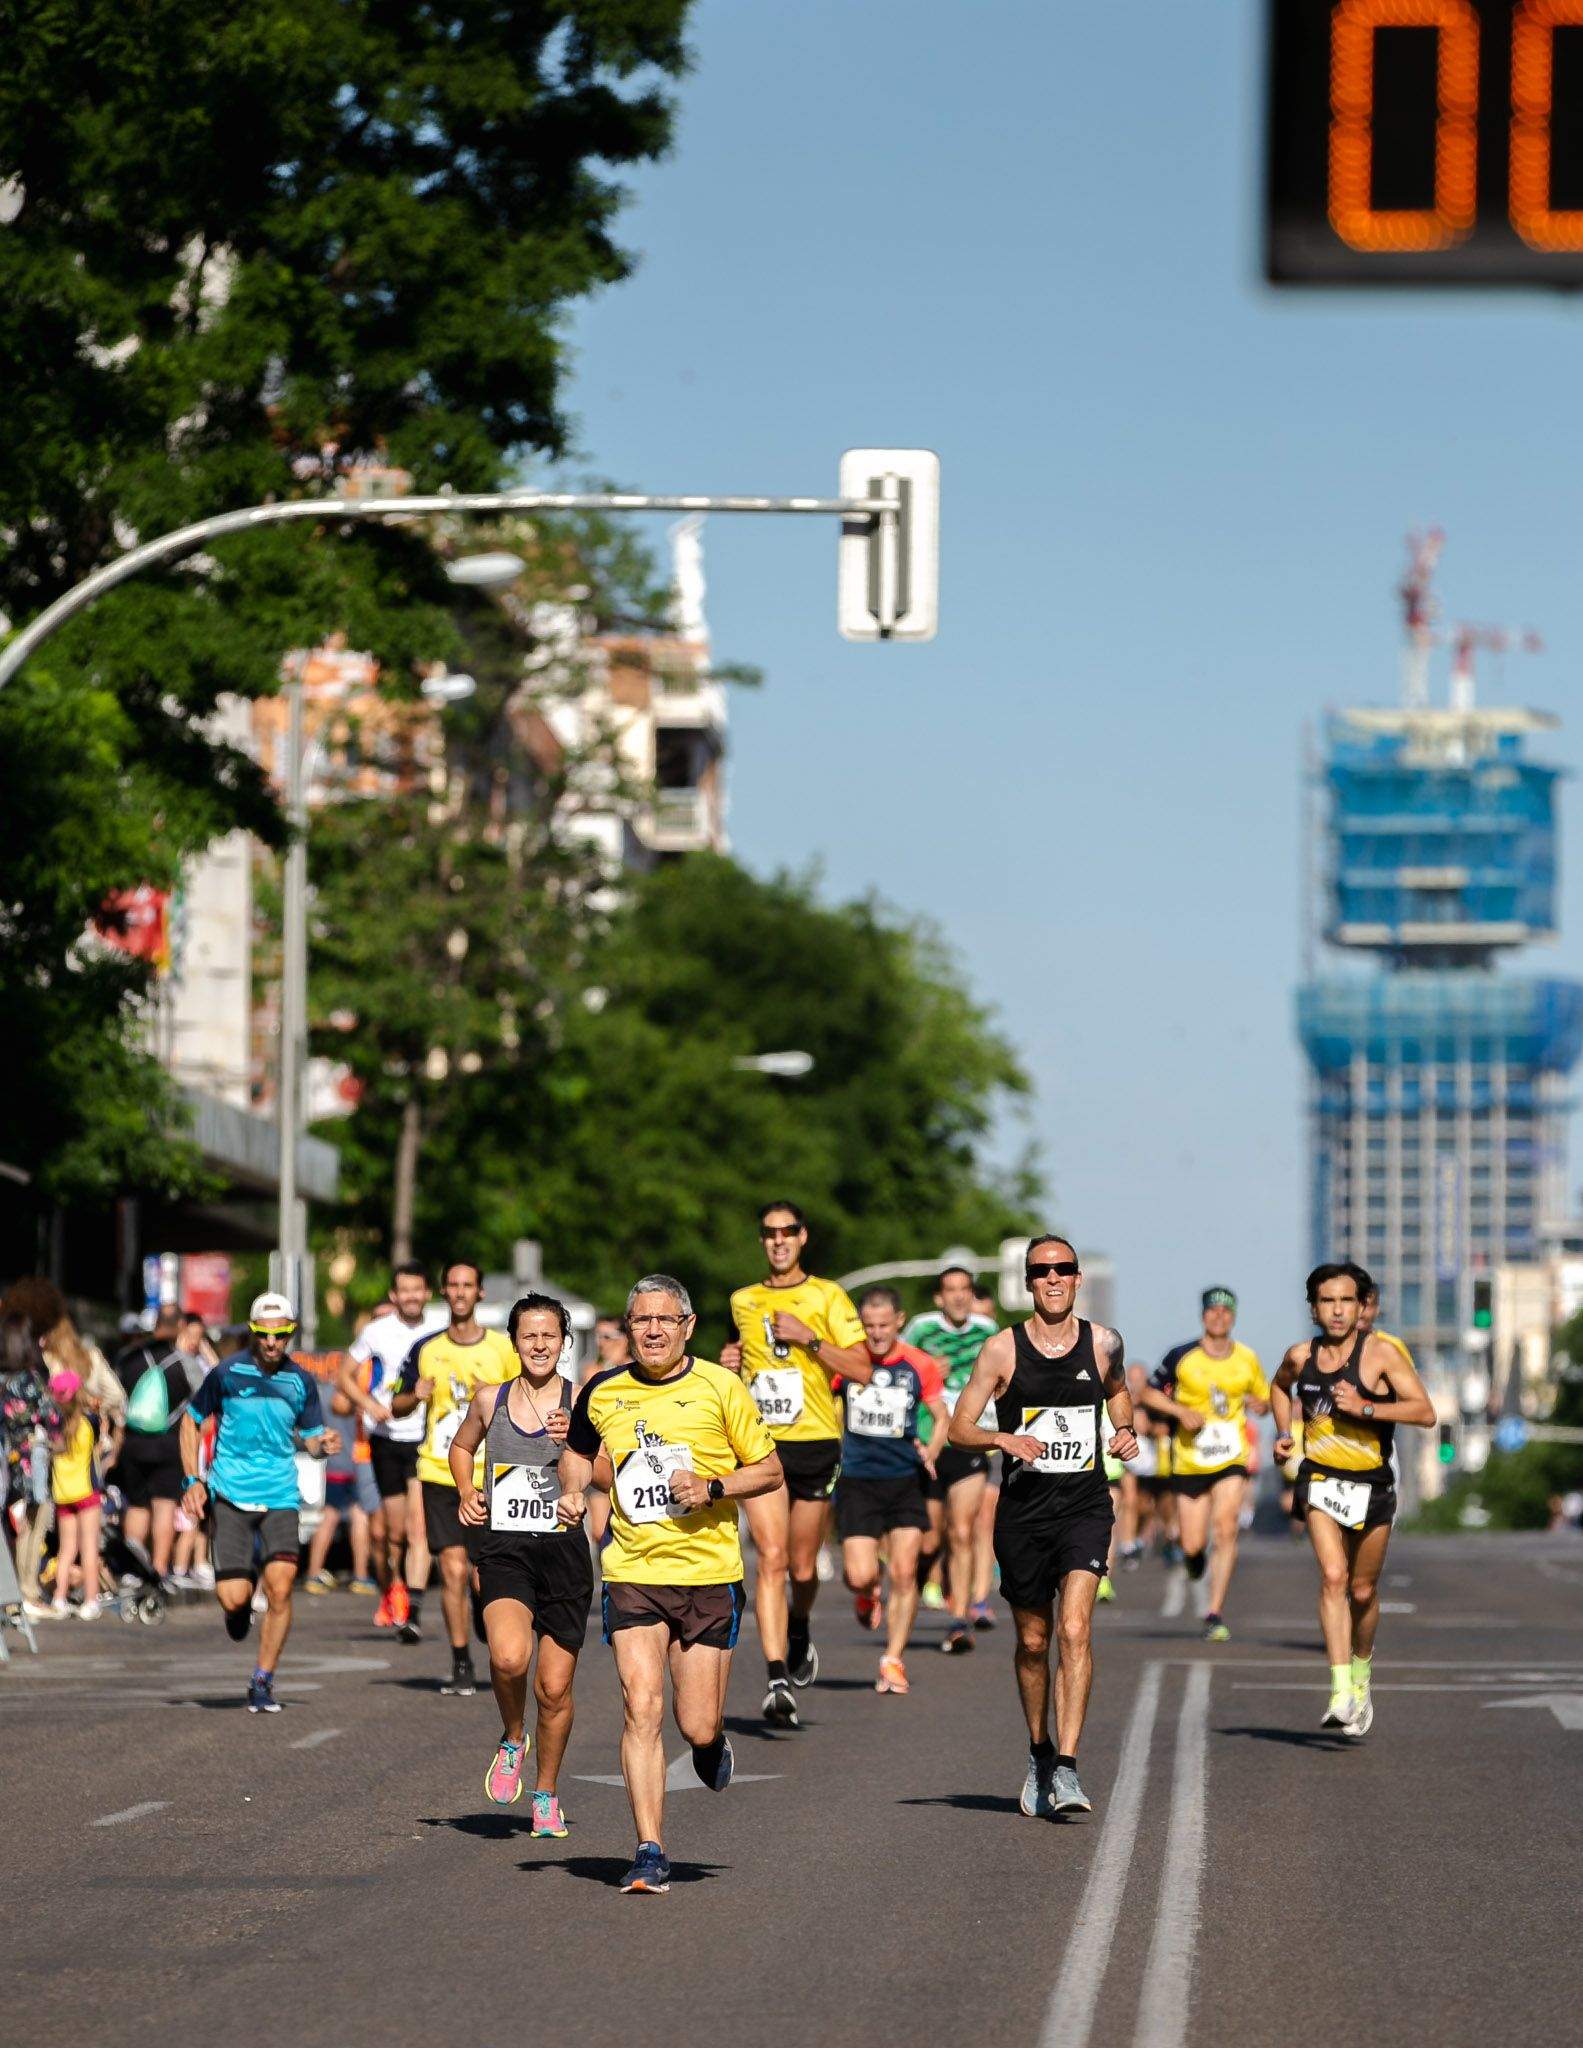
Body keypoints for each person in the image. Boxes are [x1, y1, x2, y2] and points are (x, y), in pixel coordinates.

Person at [559, 1275, 782, 1895]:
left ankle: (710, 1746)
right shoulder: (603, 1390)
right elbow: (577, 1452)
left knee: (697, 1724)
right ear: (628, 1328)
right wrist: (573, 1490)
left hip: (708, 1576)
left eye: (665, 1320)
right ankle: (649, 1849)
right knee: (641, 1704)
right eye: (641, 1320)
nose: (653, 1330)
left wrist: (712, 1487)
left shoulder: (720, 1387)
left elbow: (769, 1469)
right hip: (633, 1572)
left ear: (688, 1326)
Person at [947, 1232, 1137, 1818]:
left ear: (1078, 1278)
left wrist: (1124, 1431)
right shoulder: (1001, 1350)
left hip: (1084, 1508)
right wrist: (1002, 1439)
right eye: (1041, 1271)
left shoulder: (1103, 1343)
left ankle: (1070, 1767)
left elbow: (1119, 1393)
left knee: (1075, 1630)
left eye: (1063, 1268)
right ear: (1027, 1282)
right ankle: (1039, 1751)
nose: (1053, 1278)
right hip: (1023, 1515)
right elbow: (958, 1428)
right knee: (1033, 1642)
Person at [450, 1293, 599, 1838]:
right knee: (510, 1658)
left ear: (564, 1342)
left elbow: (608, 1470)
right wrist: (467, 1491)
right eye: (529, 1335)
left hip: (563, 1553)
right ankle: (513, 1736)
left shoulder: (583, 1401)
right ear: (514, 1342)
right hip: (506, 1549)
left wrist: (574, 1451)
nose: (540, 1345)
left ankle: (546, 1792)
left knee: (554, 1690)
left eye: (549, 1335)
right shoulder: (490, 1399)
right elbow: (461, 1448)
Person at [1270, 1263, 1434, 1735]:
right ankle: (1340, 1690)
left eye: (1347, 1300)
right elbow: (1278, 1386)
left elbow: (1425, 1412)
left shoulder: (1381, 1354)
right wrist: (1283, 1433)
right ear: (1314, 1308)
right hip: (1320, 1478)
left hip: (1373, 1485)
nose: (1338, 1310)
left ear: (1361, 1306)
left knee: (1362, 1591)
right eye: (1327, 1301)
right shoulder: (1300, 1355)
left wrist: (1366, 1407)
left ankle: (1361, 1671)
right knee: (1333, 1576)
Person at [723, 1201, 868, 1726]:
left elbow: (862, 1369)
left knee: (803, 1568)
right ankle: (776, 1675)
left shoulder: (828, 1295)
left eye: (788, 1232)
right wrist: (729, 1362)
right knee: (772, 1557)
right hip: (763, 1446)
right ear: (762, 1240)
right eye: (769, 1233)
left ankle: (799, 1623)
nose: (779, 1241)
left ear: (803, 1237)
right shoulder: (743, 1299)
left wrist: (809, 1338)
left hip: (816, 1442)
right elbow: (739, 1362)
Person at [178, 1292, 341, 1712]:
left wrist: (322, 1445)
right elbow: (190, 1423)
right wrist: (192, 1480)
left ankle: (263, 1679)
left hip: (280, 1495)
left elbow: (310, 1439)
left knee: (281, 1589)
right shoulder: (226, 1373)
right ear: (252, 1332)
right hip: (230, 1493)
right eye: (264, 1334)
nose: (272, 1342)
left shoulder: (301, 1381)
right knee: (234, 1597)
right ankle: (239, 1607)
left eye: (280, 1334)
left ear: (291, 1333)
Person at [389, 1259, 516, 1695]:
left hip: (492, 1475)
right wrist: (415, 1394)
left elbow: (526, 1401)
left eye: (468, 1285)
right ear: (444, 1292)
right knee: (453, 1567)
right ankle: (461, 1661)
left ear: (480, 1293)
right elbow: (396, 1405)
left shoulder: (502, 1349)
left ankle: (482, 1606)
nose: (460, 1292)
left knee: (483, 1573)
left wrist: (497, 1402)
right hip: (440, 1471)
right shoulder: (426, 1348)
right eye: (453, 1285)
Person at [835, 1287, 948, 1694]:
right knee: (859, 1573)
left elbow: (941, 1416)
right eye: (869, 1326)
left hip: (904, 1479)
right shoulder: (849, 1360)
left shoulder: (919, 1364)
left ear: (899, 1321)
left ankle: (893, 1660)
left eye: (884, 1325)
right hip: (858, 1479)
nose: (876, 1333)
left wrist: (932, 1451)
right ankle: (867, 1592)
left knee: (904, 1572)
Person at [1141, 1289, 1269, 1643]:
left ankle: (1214, 1612)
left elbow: (1264, 1398)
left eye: (1226, 1312)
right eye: (1213, 1311)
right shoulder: (1182, 1356)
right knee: (1192, 1543)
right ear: (1203, 1316)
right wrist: (1180, 1411)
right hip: (1191, 1460)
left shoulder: (1247, 1358)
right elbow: (1149, 1393)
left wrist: (1261, 1406)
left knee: (1225, 1528)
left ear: (1234, 1317)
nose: (1219, 1317)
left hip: (1231, 1456)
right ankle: (1193, 1558)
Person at [338, 1263, 446, 1637]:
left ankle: (412, 1609)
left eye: (418, 1289)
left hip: (425, 1437)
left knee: (418, 1528)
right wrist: (368, 1404)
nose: (411, 1297)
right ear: (394, 1295)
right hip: (385, 1436)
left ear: (427, 1293)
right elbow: (343, 1374)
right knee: (390, 1534)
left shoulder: (441, 1329)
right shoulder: (376, 1331)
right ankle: (393, 1586)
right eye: (404, 1290)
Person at [903, 1266, 999, 1653]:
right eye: (950, 1290)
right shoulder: (921, 1329)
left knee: (962, 1530)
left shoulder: (987, 1330)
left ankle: (960, 1619)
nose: (959, 1296)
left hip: (969, 1442)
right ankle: (917, 1584)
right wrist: (925, 1369)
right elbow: (895, 1370)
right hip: (930, 1443)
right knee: (929, 1541)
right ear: (939, 1297)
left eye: (965, 1289)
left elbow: (1006, 1373)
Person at [112, 1305, 200, 1585]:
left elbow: (116, 1398)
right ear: (181, 1326)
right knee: (165, 1506)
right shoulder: (184, 1362)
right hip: (169, 1445)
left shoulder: (129, 1359)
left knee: (137, 1505)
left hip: (133, 1444)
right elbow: (203, 1398)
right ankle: (159, 1571)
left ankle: (133, 1571)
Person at [45, 1370, 107, 1617]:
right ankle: (91, 1601)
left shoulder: (54, 1426)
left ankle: (59, 1598)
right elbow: (101, 1435)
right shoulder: (88, 1422)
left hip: (63, 1494)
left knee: (66, 1549)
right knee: (89, 1548)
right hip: (87, 1493)